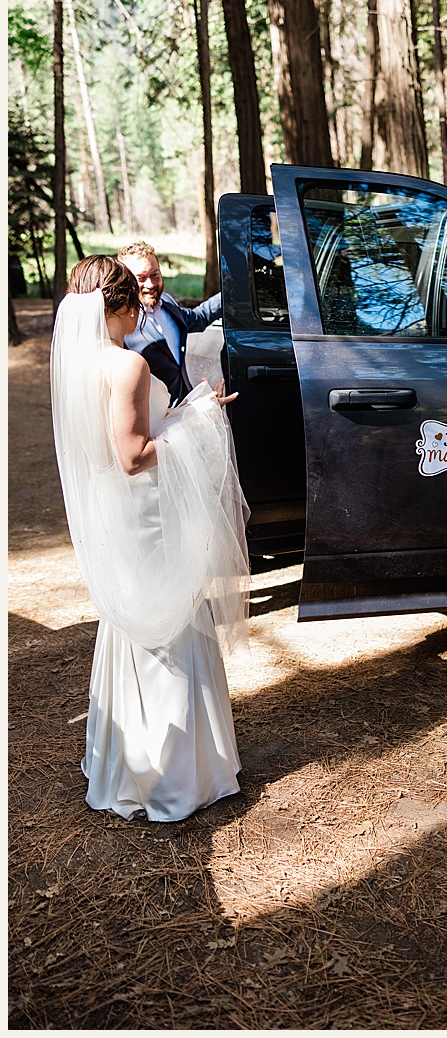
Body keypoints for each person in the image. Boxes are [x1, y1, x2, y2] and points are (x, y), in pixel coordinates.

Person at [54, 255, 248, 822]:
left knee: (133, 626)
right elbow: (135, 455)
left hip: (114, 514)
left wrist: (185, 411)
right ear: (120, 304)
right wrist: (200, 419)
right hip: (146, 518)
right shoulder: (128, 366)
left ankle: (125, 761)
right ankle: (174, 777)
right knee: (169, 625)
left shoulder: (76, 365)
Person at [117, 241, 224, 401]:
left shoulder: (167, 302)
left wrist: (231, 291)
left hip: (184, 411)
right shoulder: (121, 325)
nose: (150, 284)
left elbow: (199, 318)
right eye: (141, 278)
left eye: (155, 275)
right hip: (152, 419)